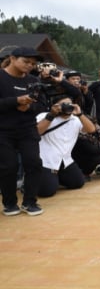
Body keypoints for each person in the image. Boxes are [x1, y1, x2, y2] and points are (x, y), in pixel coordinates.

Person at [1, 47, 46, 216]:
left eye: (33, 64)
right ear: (12, 58)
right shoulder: (1, 78)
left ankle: (30, 201)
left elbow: (42, 105)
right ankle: (10, 203)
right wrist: (15, 101)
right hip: (3, 130)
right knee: (8, 166)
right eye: (26, 61)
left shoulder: (33, 80)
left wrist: (28, 107)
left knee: (33, 163)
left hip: (27, 128)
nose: (29, 65)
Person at [36, 95, 96, 197]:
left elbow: (91, 129)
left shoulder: (75, 119)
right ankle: (33, 181)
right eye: (64, 104)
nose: (67, 106)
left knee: (78, 182)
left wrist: (80, 114)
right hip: (46, 161)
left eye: (70, 104)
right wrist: (52, 115)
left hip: (65, 160)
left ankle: (54, 177)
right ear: (55, 106)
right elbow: (36, 132)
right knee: (47, 192)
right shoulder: (44, 116)